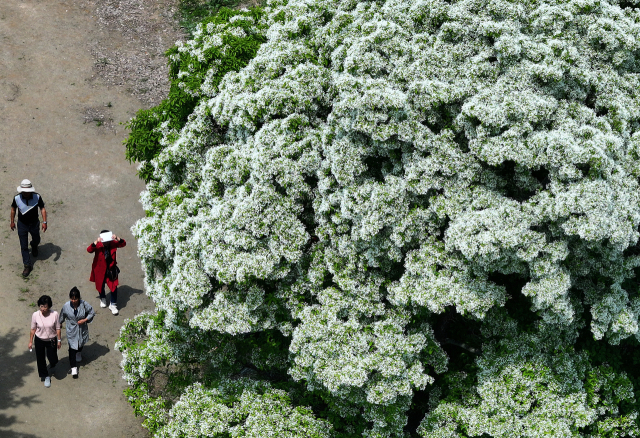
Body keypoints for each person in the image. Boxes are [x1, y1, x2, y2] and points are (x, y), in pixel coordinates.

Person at [10, 179, 47, 277]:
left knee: (37, 239)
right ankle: (27, 265)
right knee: (23, 246)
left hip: (34, 224)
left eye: (27, 191)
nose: (25, 193)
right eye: (24, 191)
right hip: (22, 225)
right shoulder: (17, 198)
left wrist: (44, 222)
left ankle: (34, 245)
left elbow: (42, 208)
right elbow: (13, 209)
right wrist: (12, 222)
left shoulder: (37, 197)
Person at [59, 287, 95, 379]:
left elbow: (91, 312)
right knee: (72, 348)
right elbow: (62, 316)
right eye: (72, 298)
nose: (73, 300)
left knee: (81, 342)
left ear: (79, 298)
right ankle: (74, 368)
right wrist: (59, 324)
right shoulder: (66, 306)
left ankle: (79, 352)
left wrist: (85, 320)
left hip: (81, 328)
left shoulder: (84, 304)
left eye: (75, 298)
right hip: (71, 329)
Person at [87, 230, 126, 315]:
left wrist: (117, 238)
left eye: (108, 241)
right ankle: (102, 297)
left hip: (111, 270)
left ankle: (113, 304)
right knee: (100, 285)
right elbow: (89, 250)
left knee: (114, 287)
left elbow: (123, 244)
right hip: (100, 270)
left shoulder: (113, 243)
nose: (107, 243)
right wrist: (96, 242)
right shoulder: (98, 245)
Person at [28, 295, 61, 388]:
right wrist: (30, 341)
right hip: (39, 339)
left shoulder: (54, 314)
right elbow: (33, 329)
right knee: (40, 358)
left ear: (49, 306)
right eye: (41, 306)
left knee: (53, 357)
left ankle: (53, 363)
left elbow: (58, 328)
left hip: (51, 339)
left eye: (45, 306)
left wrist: (59, 340)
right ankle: (45, 375)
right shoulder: (35, 315)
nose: (43, 308)